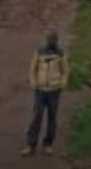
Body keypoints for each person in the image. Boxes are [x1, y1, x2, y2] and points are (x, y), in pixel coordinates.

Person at [21, 28, 68, 156]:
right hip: (40, 90)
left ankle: (48, 144)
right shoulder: (39, 51)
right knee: (36, 116)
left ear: (56, 40)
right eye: (49, 39)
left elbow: (65, 70)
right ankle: (30, 144)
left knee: (52, 118)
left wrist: (62, 84)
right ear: (46, 39)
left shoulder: (60, 53)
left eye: (53, 39)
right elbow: (33, 68)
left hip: (54, 90)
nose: (51, 41)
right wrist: (34, 82)